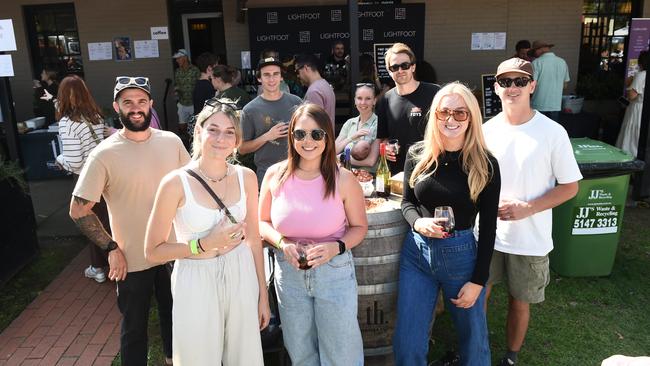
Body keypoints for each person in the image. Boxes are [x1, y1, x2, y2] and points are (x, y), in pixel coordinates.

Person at [69, 76, 190, 365]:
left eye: (141, 102)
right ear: (116, 107)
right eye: (128, 103)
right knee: (134, 329)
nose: (136, 108)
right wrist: (111, 248)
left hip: (174, 252)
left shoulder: (171, 142)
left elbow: (192, 186)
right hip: (132, 259)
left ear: (150, 105)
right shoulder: (104, 154)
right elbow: (77, 210)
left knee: (178, 320)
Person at [144, 97, 269, 365]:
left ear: (237, 140)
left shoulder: (246, 177)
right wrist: (201, 245)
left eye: (229, 132)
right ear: (198, 131)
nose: (220, 138)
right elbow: (153, 251)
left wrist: (262, 296)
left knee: (243, 358)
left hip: (240, 272)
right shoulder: (175, 183)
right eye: (213, 129)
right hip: (195, 279)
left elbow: (255, 240)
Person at [393, 82, 500, 366]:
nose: (451, 120)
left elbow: (489, 228)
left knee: (473, 340)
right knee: (408, 341)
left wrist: (478, 281)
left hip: (461, 256)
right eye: (444, 112)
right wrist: (418, 224)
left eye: (460, 113)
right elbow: (407, 204)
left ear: (471, 118)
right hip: (416, 255)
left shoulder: (485, 164)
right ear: (435, 115)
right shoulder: (417, 153)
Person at [484, 58, 582, 366]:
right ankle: (476, 349)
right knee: (478, 295)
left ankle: (510, 357)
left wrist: (529, 208)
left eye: (520, 82)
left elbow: (570, 187)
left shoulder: (553, 132)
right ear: (496, 87)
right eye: (505, 82)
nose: (512, 88)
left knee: (520, 301)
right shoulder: (485, 131)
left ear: (532, 86)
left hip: (530, 238)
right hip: (488, 233)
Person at [259, 103, 367, 365]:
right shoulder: (275, 175)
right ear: (291, 136)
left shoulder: (343, 179)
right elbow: (261, 222)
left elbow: (360, 227)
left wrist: (336, 247)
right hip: (290, 273)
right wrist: (283, 244)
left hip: (334, 272)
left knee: (342, 354)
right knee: (301, 353)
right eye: (300, 134)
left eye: (316, 134)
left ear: (327, 138)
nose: (308, 141)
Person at [54, 75, 109, 283]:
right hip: (103, 175)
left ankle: (107, 266)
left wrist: (60, 159)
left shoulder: (68, 123)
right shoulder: (95, 116)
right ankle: (98, 266)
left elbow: (75, 160)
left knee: (89, 222)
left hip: (84, 179)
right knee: (103, 220)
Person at [376, 42, 441, 174]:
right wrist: (385, 148)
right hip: (397, 173)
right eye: (394, 67)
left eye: (404, 65)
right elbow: (382, 138)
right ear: (389, 71)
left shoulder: (434, 93)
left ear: (413, 67)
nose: (400, 70)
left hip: (429, 170)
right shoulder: (385, 99)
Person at [239, 57, 302, 186]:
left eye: (275, 74)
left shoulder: (296, 102)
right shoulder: (250, 110)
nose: (272, 79)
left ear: (281, 77)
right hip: (266, 174)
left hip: (296, 171)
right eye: (266, 75)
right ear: (259, 78)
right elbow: (242, 149)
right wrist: (268, 136)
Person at [335, 83, 379, 167]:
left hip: (369, 177)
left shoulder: (378, 124)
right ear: (355, 100)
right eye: (359, 98)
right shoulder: (349, 123)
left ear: (374, 101)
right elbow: (334, 151)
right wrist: (352, 137)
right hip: (347, 174)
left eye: (368, 99)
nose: (363, 102)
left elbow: (370, 161)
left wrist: (342, 157)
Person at [616, 50, 649, 157]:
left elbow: (631, 96)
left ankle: (629, 160)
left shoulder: (641, 75)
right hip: (645, 109)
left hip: (638, 110)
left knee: (631, 138)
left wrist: (628, 83)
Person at [530, 40, 570, 122]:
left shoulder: (536, 63)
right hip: (555, 104)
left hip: (539, 104)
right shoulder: (562, 62)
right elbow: (565, 85)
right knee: (552, 132)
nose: (534, 54)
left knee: (538, 131)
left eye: (534, 51)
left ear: (539, 50)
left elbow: (531, 85)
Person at [296, 53, 336, 127]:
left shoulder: (314, 91)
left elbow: (314, 124)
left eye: (297, 71)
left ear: (306, 68)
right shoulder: (325, 85)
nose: (298, 76)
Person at [173, 49, 200, 132]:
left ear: (185, 58)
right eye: (176, 59)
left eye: (178, 58)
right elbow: (177, 85)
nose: (177, 61)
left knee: (195, 126)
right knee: (182, 126)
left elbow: (200, 85)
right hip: (182, 103)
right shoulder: (177, 71)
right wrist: (176, 91)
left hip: (193, 103)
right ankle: (185, 143)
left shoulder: (195, 70)